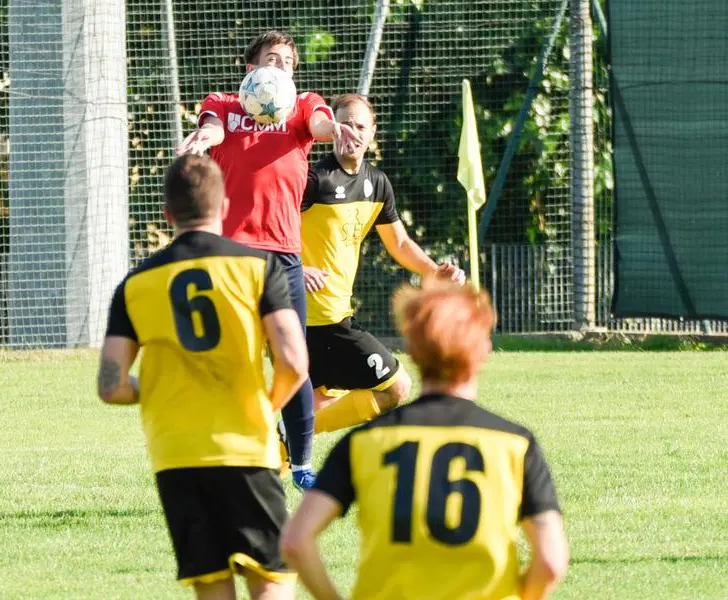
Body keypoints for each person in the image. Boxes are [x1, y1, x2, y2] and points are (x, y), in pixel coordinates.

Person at [97, 155, 308, 600]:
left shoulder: (135, 284)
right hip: (245, 447)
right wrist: (265, 404)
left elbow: (111, 385)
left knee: (212, 586)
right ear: (225, 206)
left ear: (167, 214)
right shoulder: (257, 267)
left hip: (176, 456)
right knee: (270, 581)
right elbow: (293, 361)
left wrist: (155, 386)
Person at [280, 279, 569, 600]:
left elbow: (296, 540)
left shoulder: (363, 443)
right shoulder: (516, 445)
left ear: (413, 350)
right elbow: (551, 562)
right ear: (483, 349)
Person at [176, 30, 359, 490]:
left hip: (283, 257)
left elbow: (319, 123)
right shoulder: (224, 104)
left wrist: (331, 128)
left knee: (293, 363)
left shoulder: (302, 106)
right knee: (231, 361)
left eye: (286, 63)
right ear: (250, 68)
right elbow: (214, 127)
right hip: (231, 254)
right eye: (270, 59)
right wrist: (203, 136)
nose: (278, 68)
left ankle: (300, 464)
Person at [301, 93, 465, 434]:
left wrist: (434, 272)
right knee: (396, 388)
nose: (352, 132)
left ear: (372, 132)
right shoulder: (314, 181)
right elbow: (273, 228)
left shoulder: (377, 184)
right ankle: (285, 441)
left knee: (321, 406)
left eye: (360, 126)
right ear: (332, 129)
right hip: (316, 318)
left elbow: (400, 243)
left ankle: (279, 454)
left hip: (330, 314)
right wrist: (296, 269)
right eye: (344, 124)